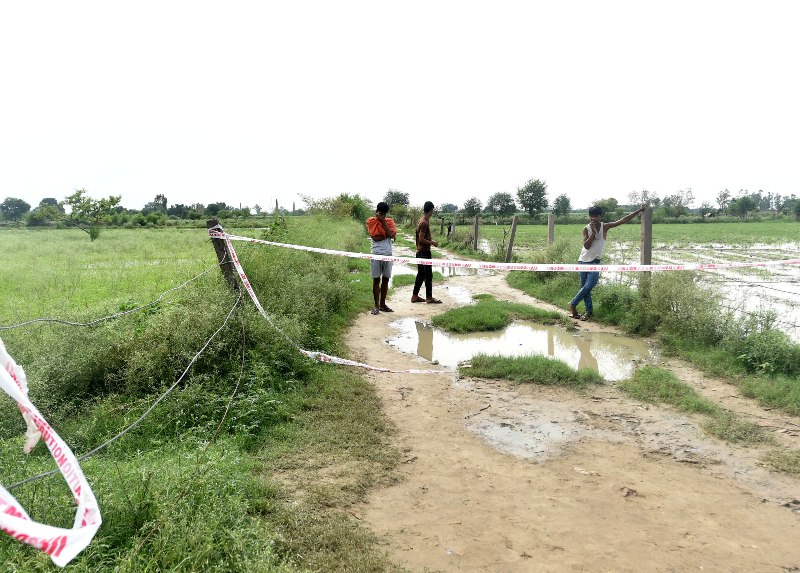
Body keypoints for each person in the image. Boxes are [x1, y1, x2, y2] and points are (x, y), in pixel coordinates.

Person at [568, 204, 645, 321]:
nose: (593, 219)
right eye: (591, 216)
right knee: (585, 288)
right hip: (583, 261)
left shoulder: (605, 227)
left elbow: (623, 220)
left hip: (595, 262)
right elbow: (586, 246)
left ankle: (573, 304)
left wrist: (638, 211)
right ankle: (588, 312)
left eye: (596, 216)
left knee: (589, 286)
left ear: (600, 217)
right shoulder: (586, 229)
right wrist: (593, 234)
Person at [366, 202, 397, 315]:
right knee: (376, 280)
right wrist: (386, 234)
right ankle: (376, 306)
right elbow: (375, 237)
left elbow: (391, 235)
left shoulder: (389, 221)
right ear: (376, 212)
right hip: (376, 253)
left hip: (388, 254)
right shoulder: (371, 221)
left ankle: (383, 304)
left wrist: (383, 223)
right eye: (381, 214)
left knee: (386, 279)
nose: (383, 216)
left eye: (384, 215)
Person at [410, 201, 442, 304]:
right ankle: (428, 297)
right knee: (427, 275)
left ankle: (415, 296)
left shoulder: (422, 220)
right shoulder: (424, 222)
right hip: (424, 252)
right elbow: (421, 239)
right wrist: (432, 242)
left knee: (422, 275)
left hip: (421, 252)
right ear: (431, 210)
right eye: (433, 210)